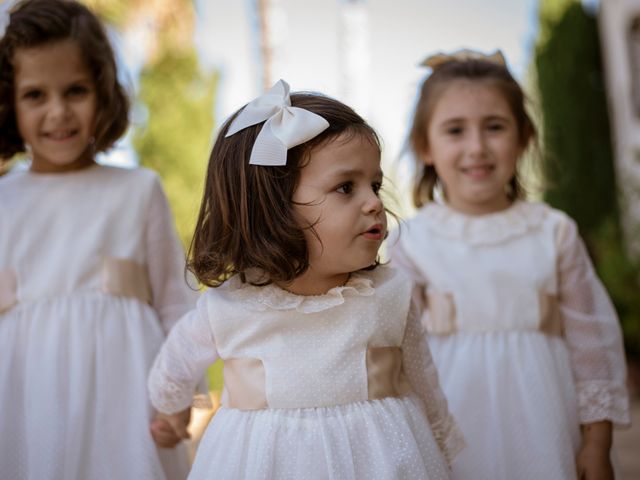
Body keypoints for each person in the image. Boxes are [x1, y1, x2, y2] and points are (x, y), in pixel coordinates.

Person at [147, 79, 465, 479]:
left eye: (375, 185)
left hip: (383, 461)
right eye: (346, 187)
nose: (373, 202)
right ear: (273, 209)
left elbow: (425, 384)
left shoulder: (391, 295)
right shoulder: (229, 307)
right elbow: (175, 362)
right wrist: (169, 409)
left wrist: (443, 448)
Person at [387, 49, 631, 480]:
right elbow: (397, 353)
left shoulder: (552, 231)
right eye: (455, 130)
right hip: (452, 420)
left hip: (543, 416)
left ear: (522, 137)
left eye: (494, 127)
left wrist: (597, 441)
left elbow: (592, 340)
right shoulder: (412, 241)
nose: (476, 148)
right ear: (426, 146)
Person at [0, 1, 196, 478]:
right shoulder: (4, 200)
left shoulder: (137, 190)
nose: (58, 112)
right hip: (25, 401)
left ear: (103, 92)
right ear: (7, 102)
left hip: (125, 406)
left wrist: (178, 397)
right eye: (35, 95)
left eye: (75, 90)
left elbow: (176, 305)